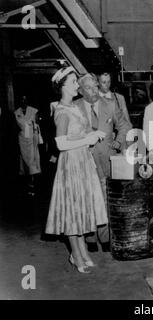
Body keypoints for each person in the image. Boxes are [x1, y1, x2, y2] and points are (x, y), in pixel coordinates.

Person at [45, 66, 108, 273]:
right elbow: (61, 144)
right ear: (62, 87)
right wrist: (87, 139)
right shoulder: (62, 111)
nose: (76, 85)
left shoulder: (75, 107)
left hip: (82, 162)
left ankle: (81, 250)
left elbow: (82, 132)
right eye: (73, 82)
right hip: (71, 164)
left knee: (81, 208)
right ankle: (76, 253)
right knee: (72, 210)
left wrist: (94, 133)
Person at [75, 73, 132, 253]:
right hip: (84, 161)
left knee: (106, 199)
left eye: (95, 86)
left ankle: (106, 237)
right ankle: (90, 237)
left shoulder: (110, 104)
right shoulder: (74, 108)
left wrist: (118, 141)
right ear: (80, 90)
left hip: (107, 160)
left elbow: (124, 126)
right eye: (89, 88)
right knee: (89, 200)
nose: (94, 91)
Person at [14, 95, 42, 196]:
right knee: (24, 159)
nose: (23, 101)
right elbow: (16, 126)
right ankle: (27, 178)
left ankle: (33, 180)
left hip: (31, 136)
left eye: (25, 99)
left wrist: (35, 123)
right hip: (22, 138)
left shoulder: (33, 110)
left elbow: (38, 123)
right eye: (22, 99)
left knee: (32, 158)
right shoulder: (16, 112)